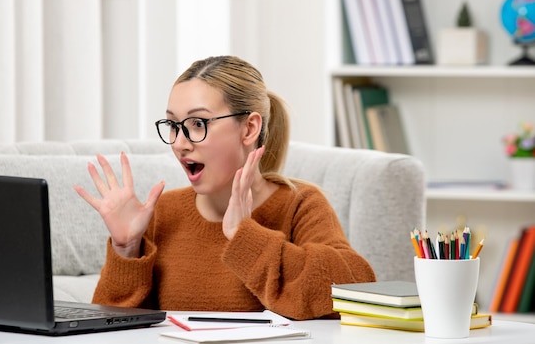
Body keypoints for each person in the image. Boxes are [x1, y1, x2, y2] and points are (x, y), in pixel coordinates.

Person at [74, 55, 375, 320]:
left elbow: (354, 288)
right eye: (173, 126)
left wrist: (245, 234)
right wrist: (127, 249)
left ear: (249, 128)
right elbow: (110, 331)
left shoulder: (300, 204)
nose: (179, 144)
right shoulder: (163, 212)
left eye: (197, 124)